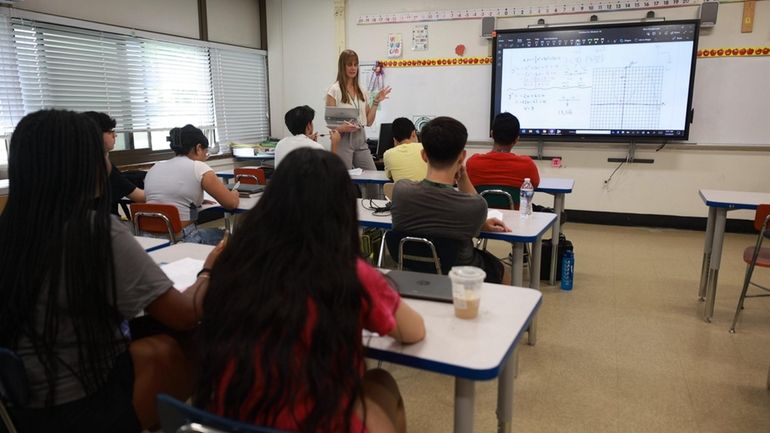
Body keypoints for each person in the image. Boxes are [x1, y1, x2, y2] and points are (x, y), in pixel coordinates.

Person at [0, 109, 221, 432]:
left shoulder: (10, 231)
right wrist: (211, 269)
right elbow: (185, 313)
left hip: (22, 411)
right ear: (79, 165)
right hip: (84, 411)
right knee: (196, 336)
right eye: (103, 154)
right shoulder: (93, 232)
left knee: (153, 341)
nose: (108, 164)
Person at [194, 148, 425, 433]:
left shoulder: (234, 260)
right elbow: (413, 332)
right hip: (314, 422)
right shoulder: (347, 273)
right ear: (342, 208)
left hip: (229, 419)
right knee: (382, 383)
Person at [391, 116, 511, 283]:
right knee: (502, 271)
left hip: (414, 272)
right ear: (462, 157)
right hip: (461, 275)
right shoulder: (474, 206)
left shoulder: (401, 191)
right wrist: (463, 178)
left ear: (424, 155)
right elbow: (474, 211)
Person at [144, 124, 239, 245]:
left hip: (148, 238)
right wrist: (234, 193)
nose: (205, 157)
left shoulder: (155, 168)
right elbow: (230, 203)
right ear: (198, 148)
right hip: (180, 238)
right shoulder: (199, 167)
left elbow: (166, 198)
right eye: (206, 152)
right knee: (230, 238)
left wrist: (197, 201)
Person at [325, 49, 391, 171]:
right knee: (344, 179)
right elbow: (330, 124)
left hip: (360, 138)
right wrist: (343, 128)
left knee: (372, 176)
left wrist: (376, 102)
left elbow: (369, 122)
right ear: (342, 66)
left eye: (355, 64)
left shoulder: (362, 90)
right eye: (349, 64)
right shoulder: (334, 90)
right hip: (343, 139)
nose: (353, 68)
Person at [83, 111, 145, 215]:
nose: (115, 135)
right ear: (96, 134)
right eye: (110, 131)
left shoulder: (74, 163)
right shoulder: (100, 167)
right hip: (102, 225)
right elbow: (141, 197)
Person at [466, 112, 540, 190]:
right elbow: (534, 185)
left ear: (492, 134)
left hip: (482, 203)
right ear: (516, 139)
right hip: (514, 203)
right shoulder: (527, 165)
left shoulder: (473, 163)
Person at [274, 105, 339, 167]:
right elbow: (331, 172)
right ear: (309, 126)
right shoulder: (316, 148)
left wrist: (309, 141)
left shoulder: (280, 144)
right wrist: (334, 143)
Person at [383, 117, 427, 182]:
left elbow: (390, 176)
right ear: (414, 133)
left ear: (394, 139)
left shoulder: (388, 154)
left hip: (402, 192)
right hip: (427, 191)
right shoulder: (426, 148)